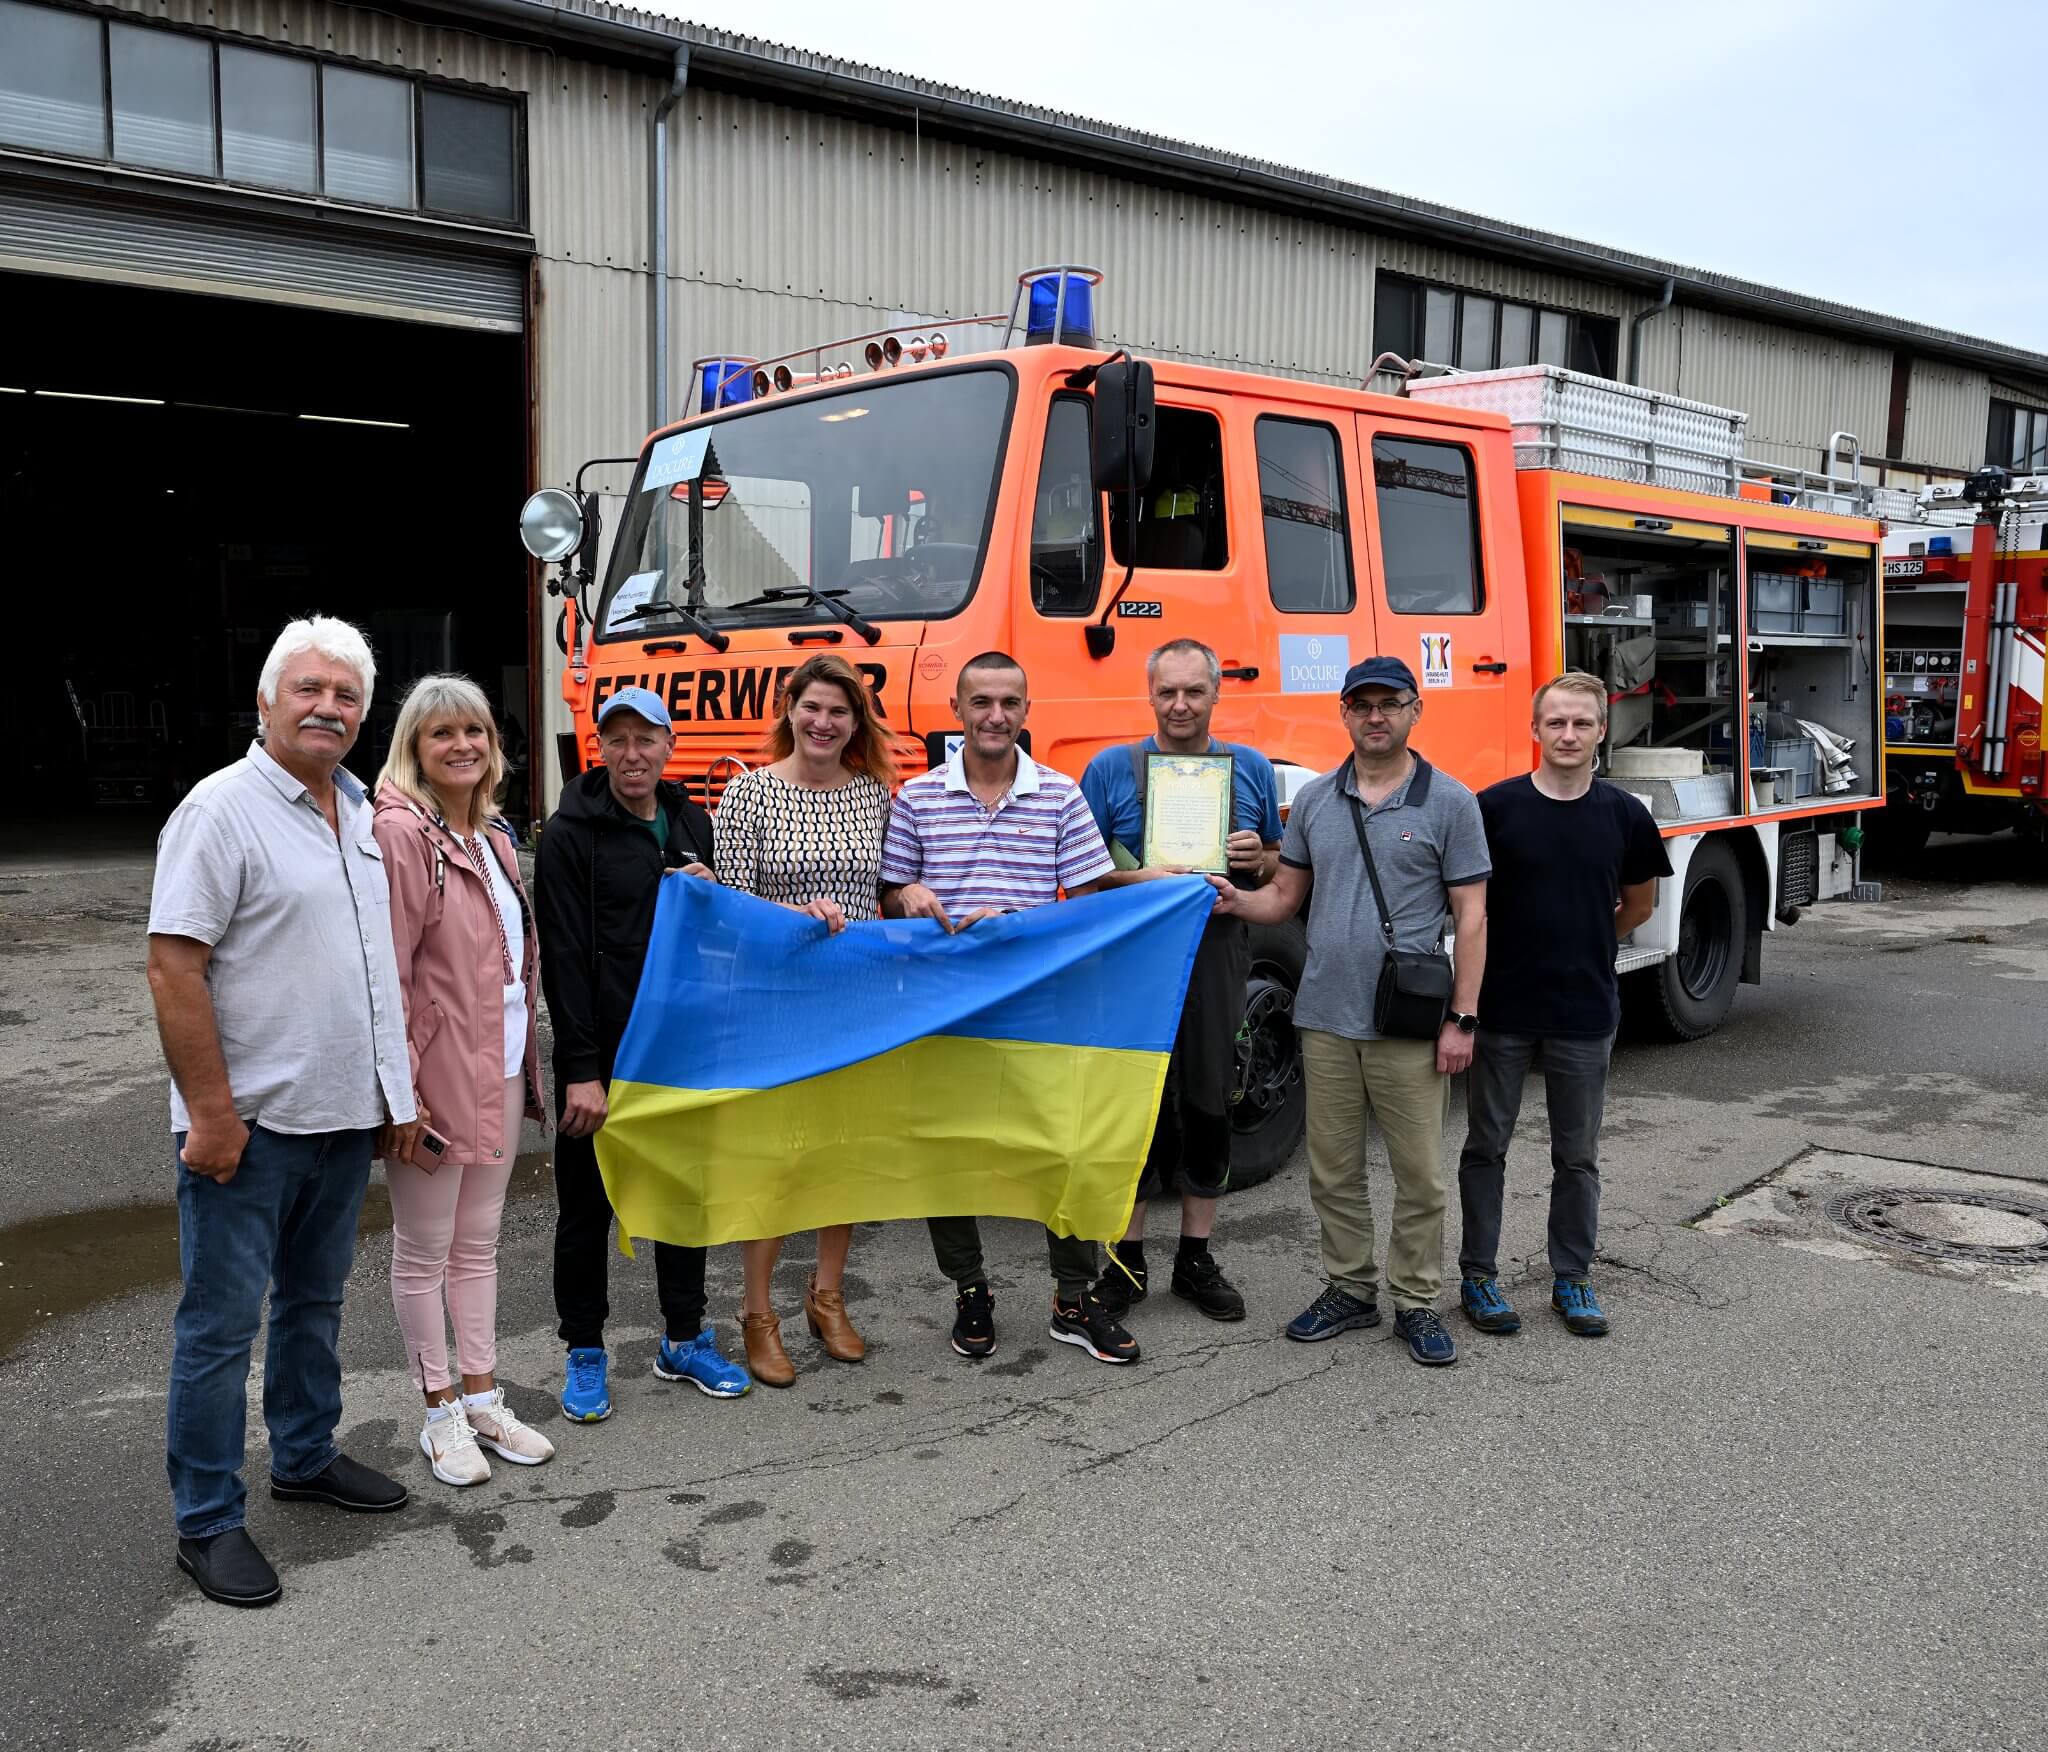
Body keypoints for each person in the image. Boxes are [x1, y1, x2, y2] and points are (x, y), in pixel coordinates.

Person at [147, 616, 415, 1609]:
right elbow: (175, 967)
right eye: (308, 689)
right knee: (219, 1330)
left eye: (346, 695)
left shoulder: (359, 811)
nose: (328, 707)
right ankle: (207, 1521)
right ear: (266, 701)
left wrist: (394, 1095)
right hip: (248, 1130)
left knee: (314, 1304)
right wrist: (210, 1115)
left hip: (342, 1121)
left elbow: (370, 972)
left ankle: (304, 1456)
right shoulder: (219, 811)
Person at [1212, 656, 1489, 1368]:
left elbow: (1474, 915)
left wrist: (1463, 1019)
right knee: (1333, 1171)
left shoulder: (1450, 801)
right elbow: (1284, 899)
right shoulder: (1315, 802)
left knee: (1420, 1173)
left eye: (1389, 703)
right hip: (1325, 1016)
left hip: (1408, 1019)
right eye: (1361, 705)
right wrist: (1236, 899)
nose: (1375, 717)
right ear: (1344, 713)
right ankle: (1351, 1289)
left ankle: (1418, 1301)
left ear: (1414, 709)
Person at [878, 652, 1135, 1366]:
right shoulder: (917, 798)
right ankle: (970, 1291)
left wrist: (1020, 920)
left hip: (1037, 1012)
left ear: (1027, 711)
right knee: (950, 1154)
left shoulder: (1061, 796)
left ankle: (1073, 1296)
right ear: (957, 711)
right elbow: (892, 895)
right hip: (946, 1013)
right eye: (981, 702)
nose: (995, 715)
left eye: (1009, 703)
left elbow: (1081, 914)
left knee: (1063, 1149)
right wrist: (910, 897)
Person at [534, 685, 751, 1420]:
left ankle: (683, 1339)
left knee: (682, 1197)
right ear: (598, 748)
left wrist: (711, 893)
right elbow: (562, 957)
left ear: (669, 747)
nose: (632, 754)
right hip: (605, 1059)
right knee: (586, 1209)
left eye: (645, 739)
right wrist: (581, 1071)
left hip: (680, 1051)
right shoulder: (569, 834)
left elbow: (718, 939)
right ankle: (585, 1351)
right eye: (617, 740)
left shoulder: (691, 820)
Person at [372, 675, 556, 1486]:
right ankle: (439, 1410)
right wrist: (401, 1096)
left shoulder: (494, 837)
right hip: (436, 1078)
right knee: (425, 1249)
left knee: (478, 1243)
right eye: (442, 733)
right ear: (415, 746)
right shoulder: (402, 834)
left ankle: (484, 1393)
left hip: (502, 1067)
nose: (463, 747)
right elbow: (394, 976)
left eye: (476, 732)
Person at [1456, 671, 1671, 1339]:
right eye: (1557, 723)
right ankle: (1478, 1276)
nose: (1569, 734)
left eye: (1582, 723)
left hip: (1585, 1010)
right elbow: (1472, 909)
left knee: (1576, 1156)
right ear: (1535, 730)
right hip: (1503, 1009)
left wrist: (1585, 941)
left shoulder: (1625, 815)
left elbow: (1640, 904)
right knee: (1486, 1146)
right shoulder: (1494, 809)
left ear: (1602, 732)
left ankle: (1572, 1279)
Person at [1079, 638, 1282, 1325]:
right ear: (1150, 694)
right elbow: (1079, 874)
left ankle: (1195, 1256)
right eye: (1168, 691)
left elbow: (1279, 862)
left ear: (1216, 694)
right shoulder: (1109, 770)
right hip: (1133, 959)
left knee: (1209, 1100)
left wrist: (1260, 852)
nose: (1181, 705)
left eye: (1194, 691)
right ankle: (1125, 1260)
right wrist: (1139, 877)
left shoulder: (1249, 768)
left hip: (1217, 952)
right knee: (1134, 1102)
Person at [713, 654, 896, 1386]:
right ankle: (757, 1314)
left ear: (855, 723)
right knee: (776, 1158)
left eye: (839, 712)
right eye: (812, 707)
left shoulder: (875, 797)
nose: (823, 723)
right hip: (774, 1004)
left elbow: (889, 888)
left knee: (840, 1153)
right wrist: (797, 918)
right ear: (789, 709)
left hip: (854, 1002)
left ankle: (827, 1296)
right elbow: (729, 907)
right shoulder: (748, 794)